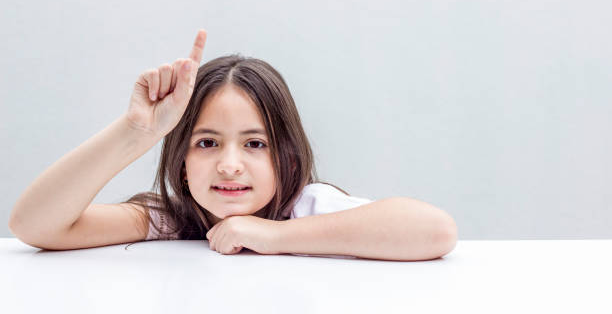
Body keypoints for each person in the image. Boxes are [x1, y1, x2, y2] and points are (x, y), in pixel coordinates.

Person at [9, 29, 458, 260]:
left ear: (288, 156)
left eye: (255, 144)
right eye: (206, 143)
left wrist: (275, 235)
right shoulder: (173, 219)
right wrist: (137, 132)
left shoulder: (306, 208)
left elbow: (435, 230)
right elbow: (35, 226)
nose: (229, 165)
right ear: (181, 159)